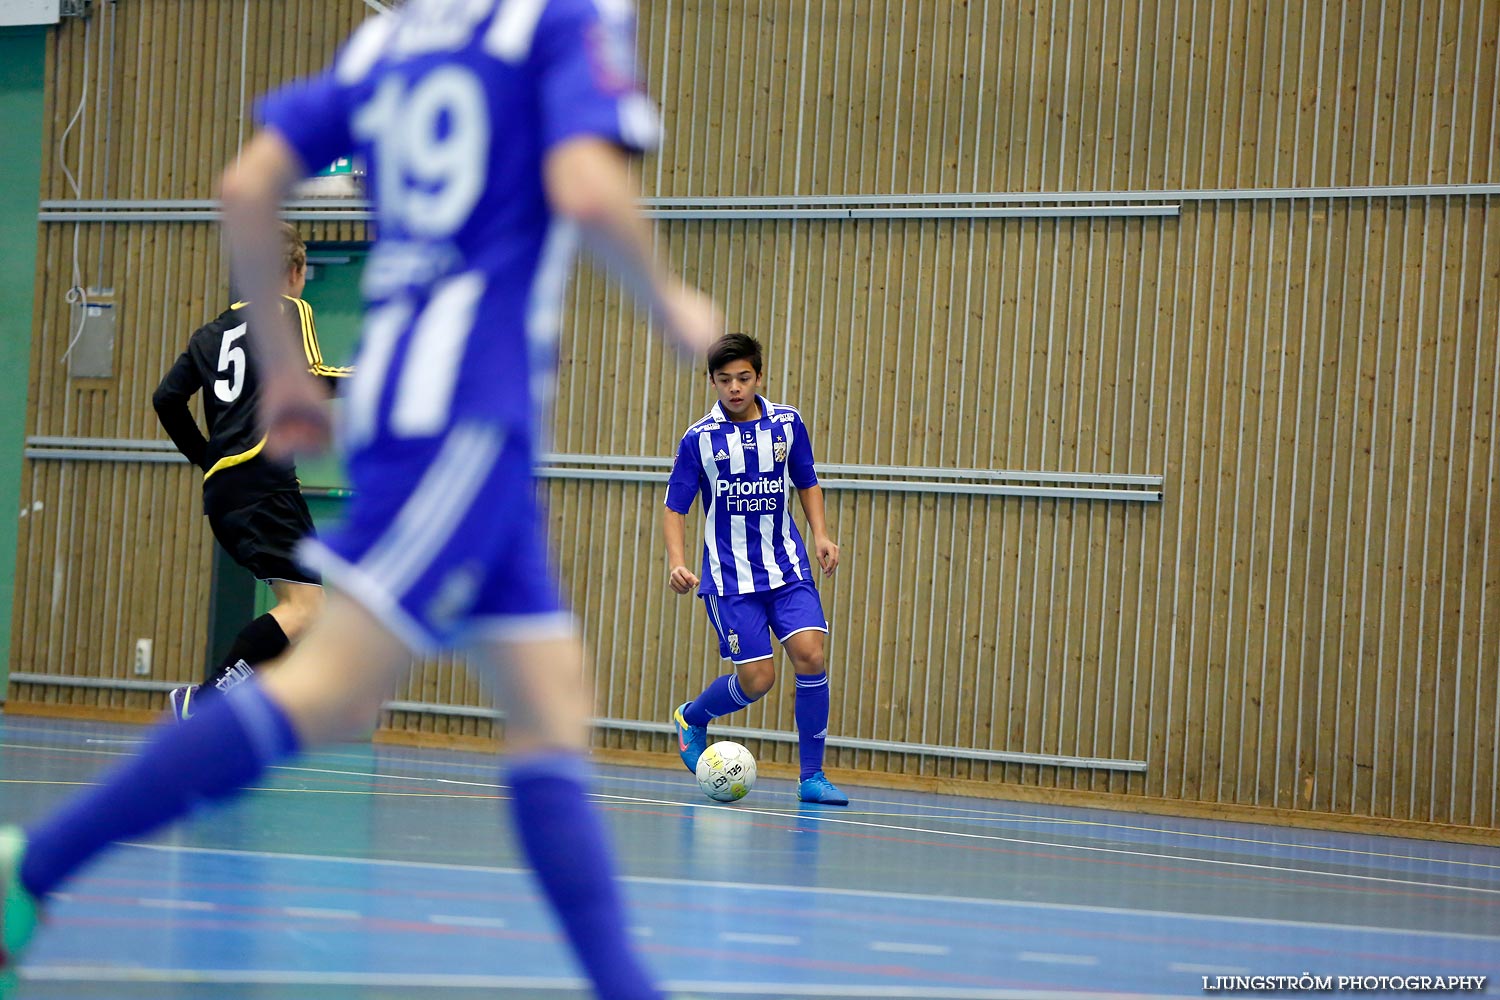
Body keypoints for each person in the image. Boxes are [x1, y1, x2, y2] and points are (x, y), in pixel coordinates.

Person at [1, 2, 720, 998]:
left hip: (444, 424)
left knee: (552, 703)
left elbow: (246, 185)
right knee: (330, 685)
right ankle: (30, 871)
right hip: (462, 417)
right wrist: (669, 296)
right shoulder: (560, 20)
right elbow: (587, 183)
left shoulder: (388, 42)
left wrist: (288, 377)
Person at [153, 222, 350, 721]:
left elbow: (166, 399)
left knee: (301, 605)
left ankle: (223, 708)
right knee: (306, 609)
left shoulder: (210, 333)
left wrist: (207, 457)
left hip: (223, 489)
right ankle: (207, 702)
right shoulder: (288, 309)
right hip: (264, 480)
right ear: (294, 271)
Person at [663, 333, 849, 806]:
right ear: (712, 382)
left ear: (759, 376)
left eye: (743, 378)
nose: (735, 388)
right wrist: (679, 563)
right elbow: (675, 506)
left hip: (787, 569)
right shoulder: (699, 439)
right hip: (730, 582)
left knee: (811, 655)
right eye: (724, 380)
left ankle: (812, 777)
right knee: (758, 680)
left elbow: (806, 481)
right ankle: (692, 717)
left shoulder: (787, 424)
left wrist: (821, 535)